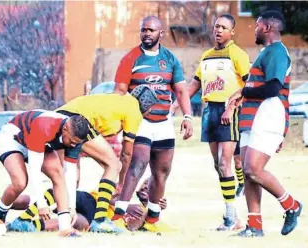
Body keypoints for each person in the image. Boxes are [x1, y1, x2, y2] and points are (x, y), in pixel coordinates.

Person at [112, 16, 193, 232]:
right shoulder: (130, 58)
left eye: (151, 30)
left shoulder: (170, 59)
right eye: (144, 30)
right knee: (137, 166)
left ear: (161, 34)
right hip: (139, 122)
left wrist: (187, 117)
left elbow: (181, 90)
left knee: (162, 171)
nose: (147, 33)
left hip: (164, 121)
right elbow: (119, 91)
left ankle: (152, 221)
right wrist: (122, 115)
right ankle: (118, 217)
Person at [227, 10, 302, 237]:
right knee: (249, 174)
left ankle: (292, 205)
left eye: (258, 25)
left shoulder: (277, 52)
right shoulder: (266, 52)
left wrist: (244, 90)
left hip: (269, 114)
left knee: (253, 169)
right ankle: (255, 227)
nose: (255, 29)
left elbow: (273, 89)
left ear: (268, 28)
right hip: (254, 118)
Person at [55, 85, 158, 233]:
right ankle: (100, 219)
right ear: (147, 107)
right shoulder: (135, 110)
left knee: (70, 177)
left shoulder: (119, 100)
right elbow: (126, 153)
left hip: (60, 119)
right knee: (113, 165)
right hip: (78, 121)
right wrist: (121, 183)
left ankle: (43, 216)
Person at [180, 14, 250, 231]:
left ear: (232, 32)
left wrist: (232, 107)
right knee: (218, 165)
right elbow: (195, 85)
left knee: (225, 163)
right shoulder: (207, 55)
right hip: (210, 110)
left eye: (223, 27)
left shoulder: (238, 54)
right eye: (216, 26)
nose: (218, 30)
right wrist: (177, 104)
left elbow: (249, 86)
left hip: (228, 111)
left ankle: (231, 217)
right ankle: (235, 208)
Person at [0, 110, 90, 237]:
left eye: (77, 142)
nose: (74, 145)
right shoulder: (44, 126)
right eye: (71, 141)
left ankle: (65, 228)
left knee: (58, 174)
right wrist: (41, 204)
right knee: (20, 182)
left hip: (38, 142)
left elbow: (70, 174)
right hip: (14, 139)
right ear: (65, 129)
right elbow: (35, 170)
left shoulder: (75, 137)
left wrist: (72, 206)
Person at [0, 177, 167, 232]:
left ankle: (7, 220)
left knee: (69, 221)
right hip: (89, 202)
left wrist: (146, 209)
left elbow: (137, 227)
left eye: (148, 188)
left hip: (90, 217)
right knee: (39, 202)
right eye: (144, 185)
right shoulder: (126, 194)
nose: (144, 188)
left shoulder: (144, 215)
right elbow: (112, 191)